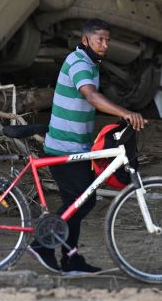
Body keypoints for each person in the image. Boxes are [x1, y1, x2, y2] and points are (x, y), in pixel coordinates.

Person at [27, 18, 147, 274]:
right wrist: (126, 113)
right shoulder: (79, 62)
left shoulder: (90, 62)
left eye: (107, 40)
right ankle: (42, 245)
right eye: (99, 40)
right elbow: (91, 96)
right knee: (81, 201)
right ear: (85, 40)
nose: (104, 45)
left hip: (77, 146)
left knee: (81, 201)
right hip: (63, 146)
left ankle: (70, 258)